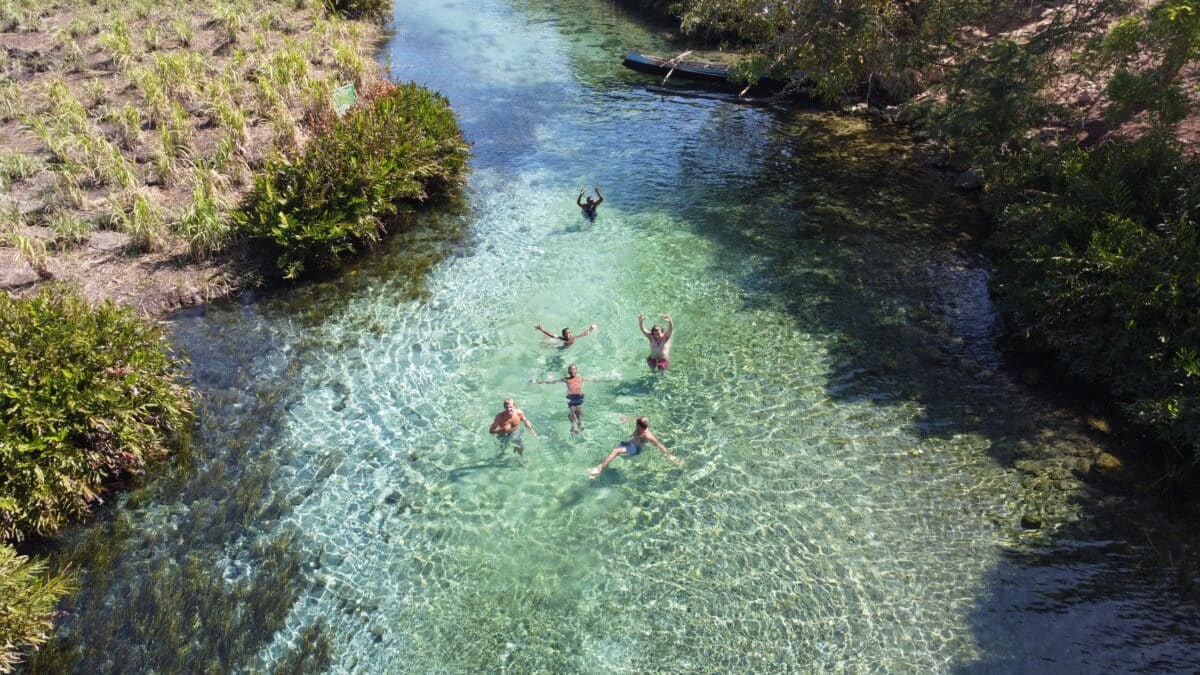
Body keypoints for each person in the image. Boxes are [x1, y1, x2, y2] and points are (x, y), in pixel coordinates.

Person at [588, 416, 678, 479]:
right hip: (629, 443)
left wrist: (669, 456)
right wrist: (627, 418)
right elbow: (637, 419)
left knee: (615, 451)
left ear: (640, 426)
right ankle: (599, 468)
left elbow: (659, 445)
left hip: (635, 449)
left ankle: (599, 469)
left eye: (637, 424)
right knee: (611, 453)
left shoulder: (647, 435)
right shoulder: (639, 424)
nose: (636, 424)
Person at [534, 364, 591, 435]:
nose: (573, 370)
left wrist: (607, 379)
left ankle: (580, 423)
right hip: (571, 396)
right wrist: (540, 382)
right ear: (568, 371)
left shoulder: (580, 379)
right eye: (571, 369)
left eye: (574, 369)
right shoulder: (566, 379)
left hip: (579, 396)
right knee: (572, 410)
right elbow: (553, 381)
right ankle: (573, 426)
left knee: (578, 410)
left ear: (577, 371)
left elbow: (594, 379)